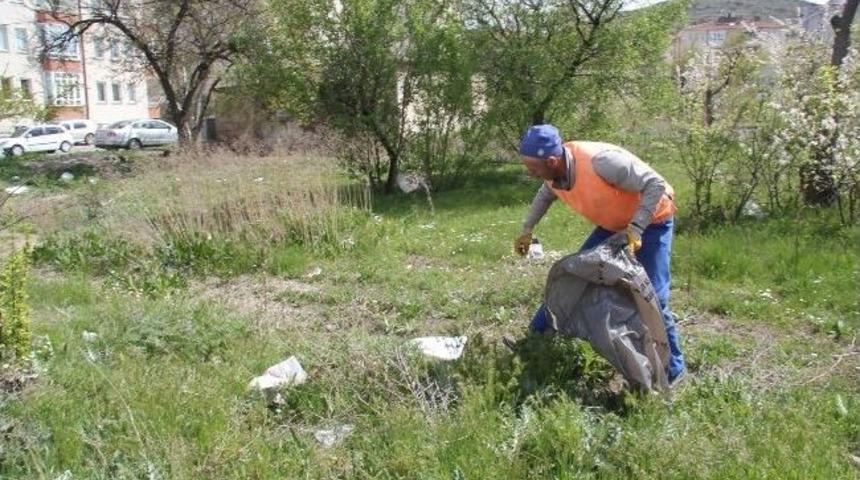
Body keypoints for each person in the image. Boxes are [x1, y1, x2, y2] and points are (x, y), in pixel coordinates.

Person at [512, 124, 686, 385]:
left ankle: (673, 370)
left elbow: (655, 184)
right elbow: (547, 193)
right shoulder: (552, 172)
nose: (530, 173)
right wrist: (527, 229)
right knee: (573, 278)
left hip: (653, 222)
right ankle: (534, 341)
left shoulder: (601, 162)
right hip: (612, 226)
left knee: (654, 297)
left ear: (551, 160)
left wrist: (637, 227)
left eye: (533, 167)